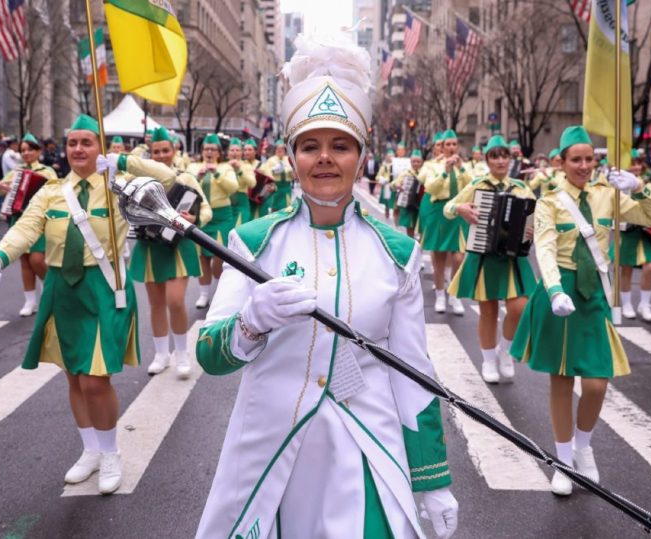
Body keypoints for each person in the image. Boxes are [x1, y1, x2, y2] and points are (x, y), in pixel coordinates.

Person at [194, 33, 458, 539]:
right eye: (310, 146)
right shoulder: (252, 243)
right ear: (292, 157)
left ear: (361, 157)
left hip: (367, 449)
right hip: (270, 452)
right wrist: (250, 324)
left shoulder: (396, 252)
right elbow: (210, 353)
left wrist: (432, 480)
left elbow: (414, 375)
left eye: (340, 146)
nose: (324, 159)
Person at [0, 114, 173, 494]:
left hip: (103, 288)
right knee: (73, 374)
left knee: (95, 379)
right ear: (65, 148)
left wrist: (121, 162)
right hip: (61, 290)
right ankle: (90, 450)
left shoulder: (118, 185)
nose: (79, 149)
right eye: (72, 143)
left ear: (100, 147)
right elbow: (27, 226)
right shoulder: (52, 191)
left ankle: (111, 452)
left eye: (87, 142)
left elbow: (164, 179)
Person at [510, 126, 651, 496]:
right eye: (575, 159)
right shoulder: (549, 200)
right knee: (561, 380)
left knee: (596, 382)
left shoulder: (607, 195)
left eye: (588, 159)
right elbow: (544, 249)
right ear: (561, 162)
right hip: (561, 293)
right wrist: (553, 290)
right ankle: (563, 461)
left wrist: (638, 186)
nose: (583, 165)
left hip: (593, 294)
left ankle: (583, 447)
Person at [444, 135, 537, 383]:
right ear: (487, 160)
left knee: (520, 307)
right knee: (488, 310)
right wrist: (460, 209)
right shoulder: (477, 185)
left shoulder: (520, 187)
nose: (500, 161)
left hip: (512, 257)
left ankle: (504, 351)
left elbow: (537, 216)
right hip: (485, 255)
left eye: (503, 155)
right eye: (494, 156)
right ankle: (487, 361)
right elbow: (449, 208)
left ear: (509, 158)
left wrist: (533, 227)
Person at [121, 127, 211, 377]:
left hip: (177, 247)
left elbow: (206, 210)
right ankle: (161, 354)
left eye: (165, 151)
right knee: (156, 303)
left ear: (174, 151)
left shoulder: (186, 179)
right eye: (156, 151)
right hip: (149, 247)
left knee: (174, 300)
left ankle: (181, 353)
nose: (160, 155)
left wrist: (194, 218)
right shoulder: (137, 182)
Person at [0, 133, 58, 316]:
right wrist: (1, 186)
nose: (26, 153)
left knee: (37, 259)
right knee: (25, 262)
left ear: (38, 151)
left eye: (30, 149)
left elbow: (55, 190)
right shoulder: (16, 171)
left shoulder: (47, 171)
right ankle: (30, 301)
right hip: (19, 217)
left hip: (39, 220)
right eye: (23, 150)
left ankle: (49, 289)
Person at [187, 134, 239, 308]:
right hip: (200, 215)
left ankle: (218, 291)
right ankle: (204, 295)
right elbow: (184, 186)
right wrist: (198, 176)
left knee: (219, 254)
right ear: (201, 151)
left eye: (213, 149)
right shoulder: (193, 166)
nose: (209, 152)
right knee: (202, 256)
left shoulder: (225, 167)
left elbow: (233, 188)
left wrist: (216, 173)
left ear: (219, 152)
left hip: (222, 216)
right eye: (206, 149)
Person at [617, 150, 651, 321]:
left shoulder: (648, 185)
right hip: (627, 232)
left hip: (647, 232)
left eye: (638, 163)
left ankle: (644, 304)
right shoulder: (617, 187)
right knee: (626, 268)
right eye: (632, 163)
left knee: (650, 266)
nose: (636, 167)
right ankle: (626, 303)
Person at [423, 129, 467, 315]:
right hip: (439, 211)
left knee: (458, 256)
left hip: (458, 211)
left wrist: (461, 168)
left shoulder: (464, 165)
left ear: (457, 146)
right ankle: (440, 294)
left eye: (453, 144)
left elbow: (472, 184)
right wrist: (444, 172)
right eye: (447, 144)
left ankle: (454, 295)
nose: (450, 148)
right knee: (439, 257)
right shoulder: (433, 165)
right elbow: (429, 187)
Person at [391, 148, 424, 238]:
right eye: (414, 162)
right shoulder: (406, 173)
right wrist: (398, 185)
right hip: (408, 203)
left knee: (422, 225)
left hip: (421, 203)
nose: (416, 164)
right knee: (409, 225)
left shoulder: (425, 173)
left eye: (418, 162)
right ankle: (411, 241)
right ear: (410, 162)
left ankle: (420, 243)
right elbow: (393, 184)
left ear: (421, 162)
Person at [258, 139, 294, 215]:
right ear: (275, 150)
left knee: (287, 207)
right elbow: (264, 171)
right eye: (278, 148)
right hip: (275, 187)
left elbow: (294, 174)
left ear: (284, 150)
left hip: (286, 187)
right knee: (275, 208)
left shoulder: (288, 159)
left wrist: (290, 171)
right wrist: (273, 171)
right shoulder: (271, 160)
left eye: (282, 148)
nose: (280, 150)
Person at [226, 137, 257, 225]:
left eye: (237, 150)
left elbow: (252, 183)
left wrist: (240, 170)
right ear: (228, 153)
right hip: (226, 203)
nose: (234, 152)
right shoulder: (223, 166)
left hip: (241, 203)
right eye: (232, 150)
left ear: (241, 153)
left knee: (239, 228)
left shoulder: (246, 166)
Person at [376, 148, 395, 220]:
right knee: (387, 201)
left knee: (395, 202)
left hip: (395, 185)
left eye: (392, 156)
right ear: (387, 157)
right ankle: (387, 211)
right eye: (390, 156)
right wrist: (383, 179)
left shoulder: (397, 165)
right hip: (387, 186)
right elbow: (378, 176)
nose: (391, 157)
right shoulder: (384, 166)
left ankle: (394, 214)